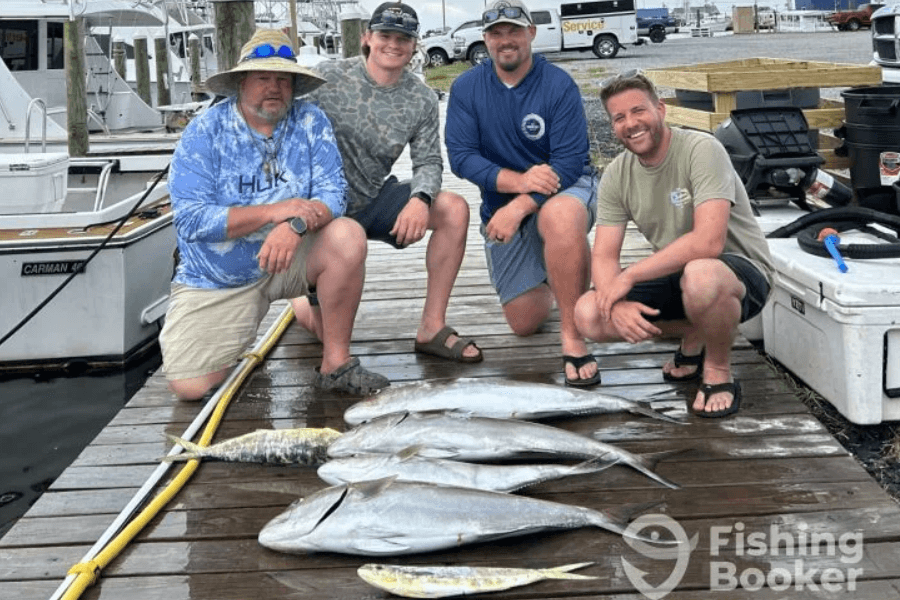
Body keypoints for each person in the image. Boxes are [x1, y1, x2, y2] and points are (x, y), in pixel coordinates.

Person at [160, 28, 389, 400]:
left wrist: (294, 225)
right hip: (219, 276)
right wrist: (273, 213)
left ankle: (335, 364)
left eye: (284, 80)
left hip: (292, 255)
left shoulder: (311, 120)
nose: (274, 87)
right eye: (263, 78)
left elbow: (334, 195)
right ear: (241, 83)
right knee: (190, 387)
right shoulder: (204, 132)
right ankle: (297, 305)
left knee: (347, 235)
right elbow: (190, 220)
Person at [574, 71, 775, 417]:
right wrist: (616, 303)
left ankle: (717, 369)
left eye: (638, 110)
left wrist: (629, 277)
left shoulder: (702, 149)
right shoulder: (617, 174)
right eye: (619, 118)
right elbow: (604, 256)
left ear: (661, 109)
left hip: (740, 273)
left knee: (701, 275)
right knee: (589, 314)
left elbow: (708, 242)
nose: (631, 124)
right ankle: (698, 331)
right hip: (678, 274)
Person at [294, 2, 483, 363]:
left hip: (371, 199)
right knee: (321, 332)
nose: (393, 44)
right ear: (367, 37)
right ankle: (301, 296)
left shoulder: (422, 98)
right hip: (321, 212)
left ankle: (431, 327)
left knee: (454, 208)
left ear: (414, 46)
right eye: (385, 35)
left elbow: (428, 160)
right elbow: (278, 119)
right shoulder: (326, 77)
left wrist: (420, 199)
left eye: (403, 38)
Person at [444, 0, 599, 386]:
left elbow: (569, 162)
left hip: (565, 188)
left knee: (559, 217)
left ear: (531, 33)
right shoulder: (465, 87)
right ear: (485, 40)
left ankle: (573, 337)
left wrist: (521, 206)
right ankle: (564, 270)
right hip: (504, 201)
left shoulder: (558, 84)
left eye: (513, 31)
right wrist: (520, 184)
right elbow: (461, 158)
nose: (505, 40)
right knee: (524, 323)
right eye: (496, 33)